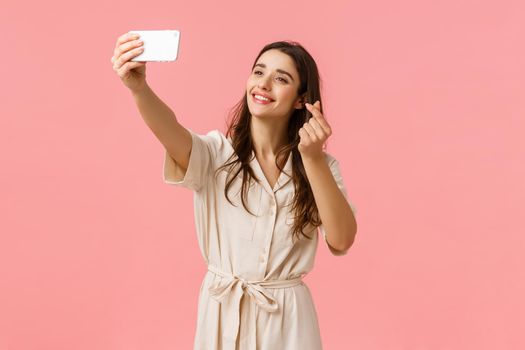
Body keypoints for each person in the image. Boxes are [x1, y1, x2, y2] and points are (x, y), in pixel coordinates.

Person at [111, 32, 358, 350]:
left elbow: (342, 239)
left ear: (301, 99)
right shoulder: (216, 155)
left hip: (289, 322)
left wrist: (312, 158)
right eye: (258, 72)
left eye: (280, 78)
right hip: (223, 315)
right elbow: (169, 130)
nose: (263, 84)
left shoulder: (320, 165)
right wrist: (139, 88)